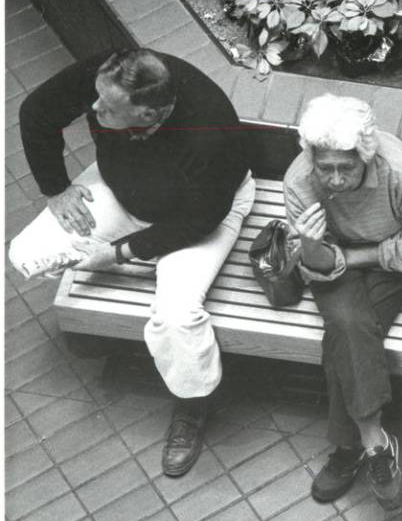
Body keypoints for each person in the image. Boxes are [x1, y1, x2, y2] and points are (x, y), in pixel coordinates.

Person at [9, 49, 254, 477]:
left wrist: (121, 253)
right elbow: (36, 112)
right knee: (25, 253)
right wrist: (56, 189)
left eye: (108, 107)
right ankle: (99, 330)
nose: (94, 106)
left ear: (150, 112)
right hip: (121, 193)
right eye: (97, 98)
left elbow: (200, 218)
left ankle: (193, 405)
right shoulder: (108, 74)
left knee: (177, 317)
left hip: (198, 217)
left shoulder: (209, 129)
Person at [283, 94, 402, 511]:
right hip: (331, 260)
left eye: (345, 167)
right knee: (350, 325)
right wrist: (313, 246)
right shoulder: (299, 180)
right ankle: (375, 443)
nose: (333, 179)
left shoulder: (400, 171)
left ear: (365, 156)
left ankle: (347, 449)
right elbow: (316, 264)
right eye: (325, 167)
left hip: (389, 259)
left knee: (345, 334)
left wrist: (353, 257)